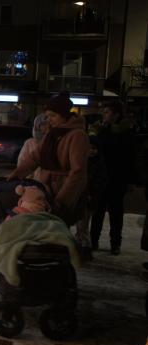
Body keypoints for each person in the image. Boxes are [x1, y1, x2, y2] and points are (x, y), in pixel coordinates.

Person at [8, 92, 90, 227]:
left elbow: (78, 171)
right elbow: (35, 157)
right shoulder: (52, 134)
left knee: (58, 228)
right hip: (46, 189)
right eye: (47, 116)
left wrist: (63, 199)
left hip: (62, 191)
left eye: (53, 116)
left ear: (64, 115)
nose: (49, 119)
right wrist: (17, 174)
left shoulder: (77, 136)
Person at [88, 101, 136, 255]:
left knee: (116, 213)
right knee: (98, 211)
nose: (104, 114)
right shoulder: (101, 130)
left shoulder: (126, 132)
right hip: (101, 177)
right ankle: (94, 240)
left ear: (116, 115)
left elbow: (130, 158)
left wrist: (130, 180)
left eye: (107, 112)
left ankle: (115, 243)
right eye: (104, 111)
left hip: (117, 178)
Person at [17, 113, 48, 180]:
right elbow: (23, 163)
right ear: (37, 126)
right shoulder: (31, 143)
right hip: (34, 180)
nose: (47, 126)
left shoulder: (57, 140)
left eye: (48, 123)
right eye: (43, 124)